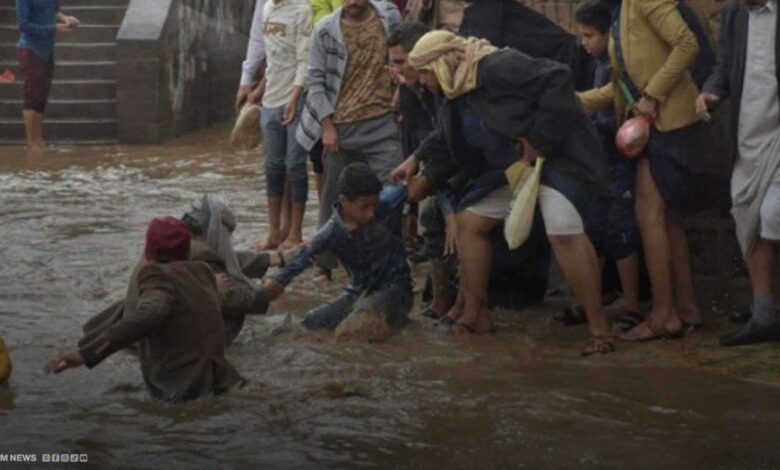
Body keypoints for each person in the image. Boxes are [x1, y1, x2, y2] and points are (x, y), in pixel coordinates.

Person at [402, 31, 613, 355]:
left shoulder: (495, 65)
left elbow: (559, 78)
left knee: (562, 229)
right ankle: (476, 313)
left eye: (425, 73)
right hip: (512, 170)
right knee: (469, 223)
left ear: (441, 64)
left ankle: (600, 329)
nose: (423, 83)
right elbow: (447, 140)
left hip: (559, 158)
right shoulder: (452, 93)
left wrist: (539, 139)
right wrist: (418, 164)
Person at [579, 0, 704, 341]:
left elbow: (686, 43)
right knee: (667, 219)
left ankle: (664, 315)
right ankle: (687, 306)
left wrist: (653, 94)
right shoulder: (620, 11)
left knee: (649, 213)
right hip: (653, 123)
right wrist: (582, 101)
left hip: (669, 123)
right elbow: (622, 84)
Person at [45, 217, 245, 403]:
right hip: (223, 379)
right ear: (187, 251)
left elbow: (150, 315)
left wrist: (86, 354)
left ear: (149, 252)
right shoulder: (203, 271)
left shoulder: (154, 273)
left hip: (180, 390)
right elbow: (195, 309)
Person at [79, 195, 288, 347]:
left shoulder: (169, 244)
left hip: (135, 335)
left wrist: (275, 259)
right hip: (166, 348)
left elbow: (227, 258)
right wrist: (265, 294)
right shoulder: (199, 260)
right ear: (216, 231)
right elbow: (231, 300)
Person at [296, 0, 402, 282]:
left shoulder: (389, 18)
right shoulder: (325, 30)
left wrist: (399, 96)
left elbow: (406, 60)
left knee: (390, 195)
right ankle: (325, 263)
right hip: (341, 126)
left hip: (383, 122)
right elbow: (316, 81)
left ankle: (385, 264)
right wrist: (327, 126)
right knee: (335, 198)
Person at [697, 0, 780, 346]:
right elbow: (724, 65)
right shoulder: (734, 15)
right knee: (748, 219)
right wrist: (710, 91)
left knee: (773, 214)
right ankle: (764, 315)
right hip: (748, 135)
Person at [264, 163, 413, 331]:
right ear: (343, 201)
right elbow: (302, 257)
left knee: (360, 324)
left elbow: (415, 185)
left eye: (375, 205)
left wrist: (410, 174)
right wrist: (276, 284)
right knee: (311, 323)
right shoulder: (332, 231)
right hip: (358, 290)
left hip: (395, 288)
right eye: (364, 207)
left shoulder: (389, 199)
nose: (371, 213)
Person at [574, 0, 642, 332]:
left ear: (607, 34)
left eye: (589, 35)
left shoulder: (616, 65)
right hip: (601, 161)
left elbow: (615, 103)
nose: (584, 43)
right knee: (595, 229)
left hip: (618, 160)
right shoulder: (598, 63)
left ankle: (631, 304)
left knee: (621, 230)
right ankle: (593, 300)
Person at [251, 0, 312, 251]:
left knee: (295, 165)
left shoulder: (302, 10)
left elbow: (304, 60)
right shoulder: (266, 9)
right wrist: (258, 91)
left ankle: (295, 233)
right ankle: (274, 232)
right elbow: (271, 56)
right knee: (272, 166)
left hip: (296, 97)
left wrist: (295, 98)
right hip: (271, 99)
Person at [15, 0, 79, 151]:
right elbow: (24, 25)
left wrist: (65, 18)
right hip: (31, 49)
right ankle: (30, 141)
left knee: (41, 95)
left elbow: (54, 11)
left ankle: (38, 138)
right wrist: (53, 28)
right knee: (31, 94)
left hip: (47, 50)